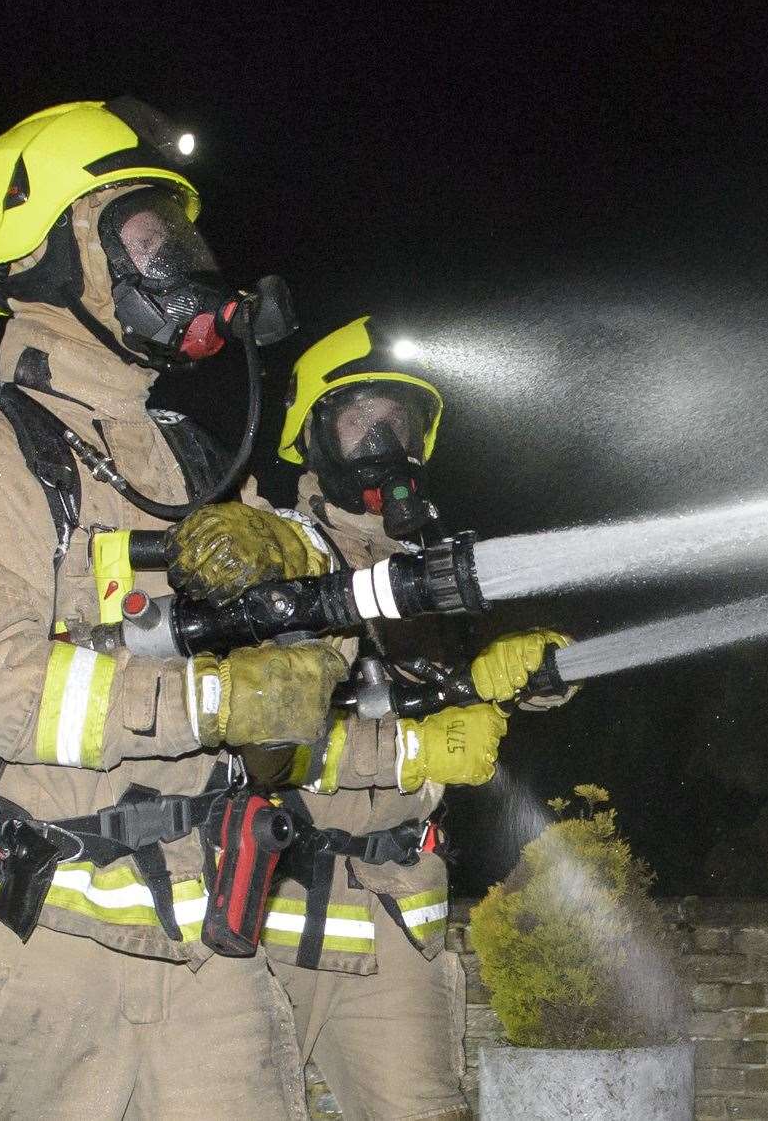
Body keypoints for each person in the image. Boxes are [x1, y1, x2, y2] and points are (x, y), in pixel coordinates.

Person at [0, 99, 344, 1120]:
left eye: (179, 232)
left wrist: (297, 579)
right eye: (144, 232)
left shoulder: (190, 458)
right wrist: (219, 701)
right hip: (31, 952)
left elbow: (320, 658)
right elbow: (1, 688)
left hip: (209, 953)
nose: (178, 257)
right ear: (47, 261)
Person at [168, 315, 577, 1120]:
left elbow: (462, 684)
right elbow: (242, 740)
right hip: (261, 921)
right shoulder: (270, 554)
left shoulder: (430, 573)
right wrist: (412, 752)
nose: (386, 439)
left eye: (404, 421)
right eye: (362, 418)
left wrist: (523, 667)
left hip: (395, 926)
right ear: (311, 432)